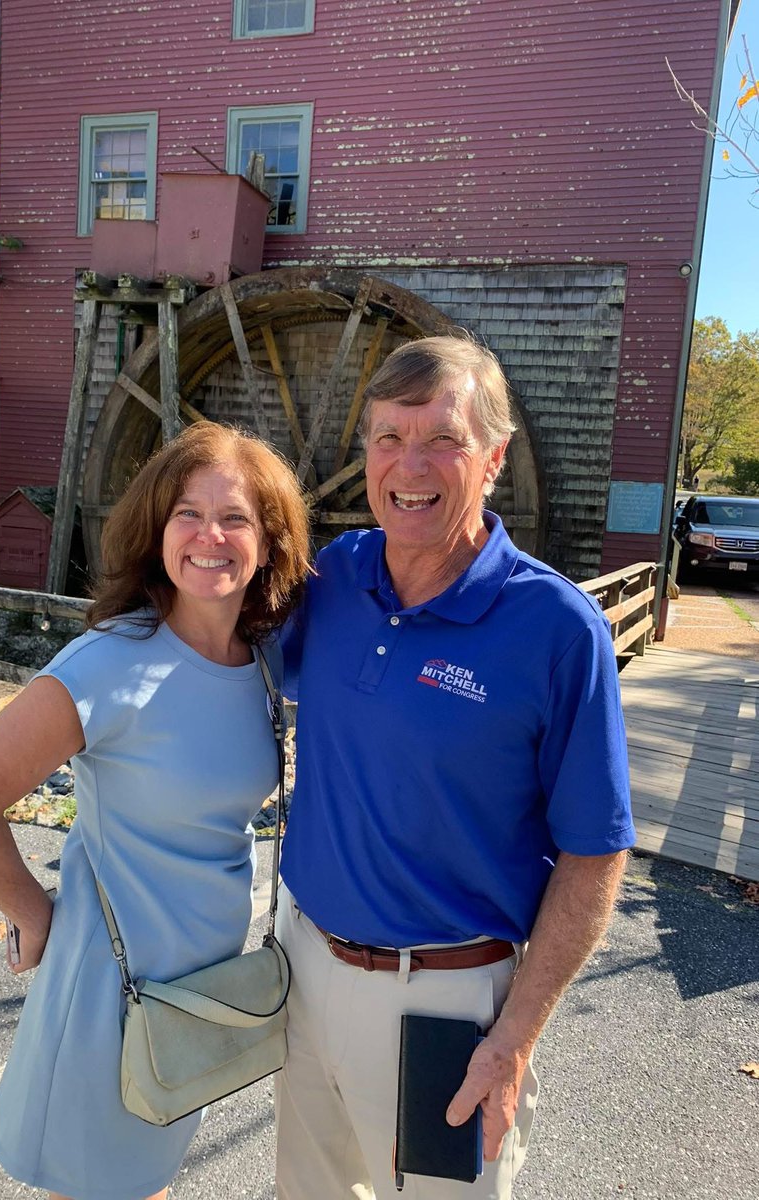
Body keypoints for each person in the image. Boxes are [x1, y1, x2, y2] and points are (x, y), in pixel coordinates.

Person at [275, 335, 635, 1200]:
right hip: (301, 968)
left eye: (443, 438)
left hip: (447, 1006)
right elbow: (208, 648)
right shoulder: (331, 579)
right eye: (389, 437)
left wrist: (512, 1039)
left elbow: (595, 851)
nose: (410, 463)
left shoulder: (555, 626)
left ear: (495, 458)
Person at [0, 422, 311, 1200]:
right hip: (111, 992)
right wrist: (32, 913)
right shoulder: (111, 662)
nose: (212, 536)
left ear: (269, 544)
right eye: (188, 515)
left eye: (236, 518)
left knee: (145, 1179)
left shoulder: (261, 660)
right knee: (99, 1183)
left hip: (200, 997)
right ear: (158, 531)